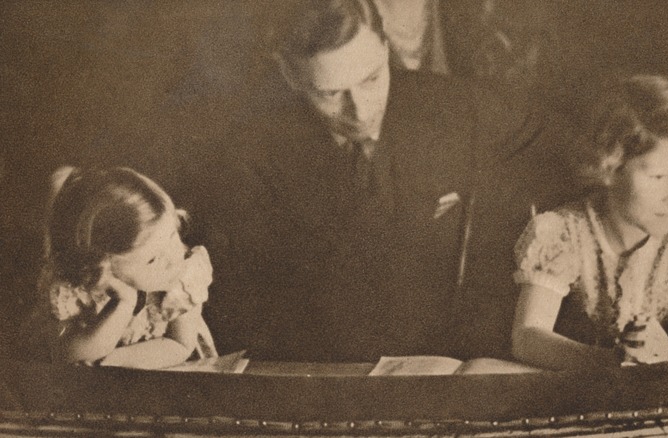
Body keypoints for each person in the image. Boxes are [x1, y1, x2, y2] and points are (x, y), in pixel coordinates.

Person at [200, 0, 578, 362]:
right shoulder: (247, 153)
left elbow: (569, 161)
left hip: (454, 363)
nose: (360, 110)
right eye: (331, 94)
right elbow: (246, 310)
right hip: (326, 377)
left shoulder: (461, 108)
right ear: (289, 75)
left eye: (371, 79)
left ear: (385, 47)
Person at [511, 74, 668, 370]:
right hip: (589, 385)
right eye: (658, 177)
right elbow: (528, 336)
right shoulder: (564, 232)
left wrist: (664, 353)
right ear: (610, 167)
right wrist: (610, 362)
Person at [38, 166, 217, 369]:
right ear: (105, 268)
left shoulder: (184, 271)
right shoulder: (78, 289)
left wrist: (119, 360)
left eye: (172, 236)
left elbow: (181, 343)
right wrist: (123, 303)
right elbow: (68, 356)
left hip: (166, 368)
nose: (172, 259)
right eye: (152, 260)